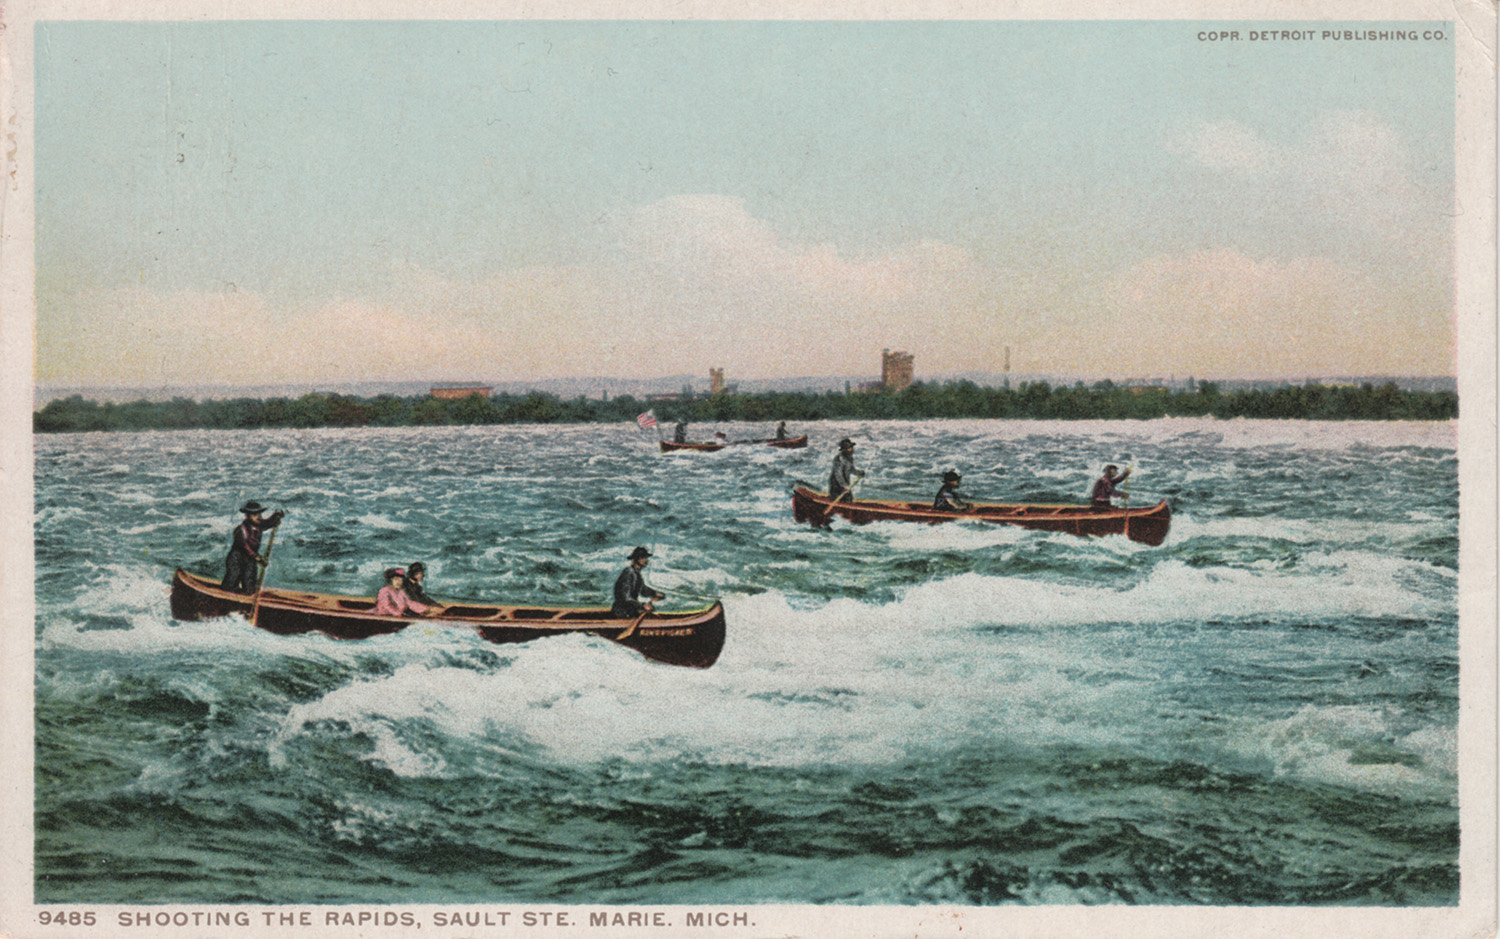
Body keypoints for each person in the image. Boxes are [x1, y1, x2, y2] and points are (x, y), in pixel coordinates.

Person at [222, 501, 285, 593]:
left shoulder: (259, 525)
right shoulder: (240, 530)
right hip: (237, 559)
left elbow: (269, 522)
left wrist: (277, 516)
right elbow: (245, 547)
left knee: (250, 587)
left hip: (250, 560)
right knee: (232, 581)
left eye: (259, 513)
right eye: (255, 514)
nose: (259, 516)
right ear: (247, 516)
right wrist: (257, 557)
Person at [612, 546, 665, 619]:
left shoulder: (636, 574)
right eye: (643, 557)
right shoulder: (628, 573)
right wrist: (643, 606)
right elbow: (626, 598)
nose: (646, 560)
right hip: (622, 612)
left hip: (630, 611)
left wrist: (654, 593)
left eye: (645, 558)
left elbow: (643, 589)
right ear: (637, 559)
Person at [828, 438, 865, 502]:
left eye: (851, 447)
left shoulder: (850, 458)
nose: (851, 449)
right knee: (838, 500)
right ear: (844, 450)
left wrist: (858, 473)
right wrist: (844, 485)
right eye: (848, 448)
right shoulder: (839, 459)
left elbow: (851, 469)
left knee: (849, 500)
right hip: (836, 485)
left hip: (845, 484)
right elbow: (838, 474)